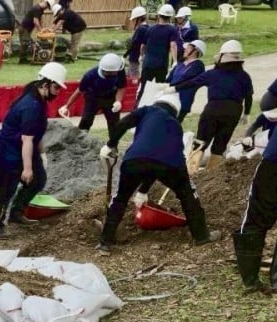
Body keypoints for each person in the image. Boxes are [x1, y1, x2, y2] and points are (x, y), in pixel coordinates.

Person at [96, 93, 220, 254]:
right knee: (188, 195)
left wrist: (110, 145)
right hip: (171, 164)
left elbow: (123, 124)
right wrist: (143, 191)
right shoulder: (176, 124)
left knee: (120, 198)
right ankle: (201, 236)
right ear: (175, 111)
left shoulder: (147, 110)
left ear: (158, 102)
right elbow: (157, 163)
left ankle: (105, 242)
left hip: (135, 160)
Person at [0, 62, 67, 239]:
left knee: (38, 180)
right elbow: (27, 139)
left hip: (23, 148)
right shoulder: (31, 106)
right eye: (56, 87)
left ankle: (17, 213)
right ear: (45, 84)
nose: (58, 92)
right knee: (5, 189)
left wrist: (41, 154)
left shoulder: (39, 100)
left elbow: (35, 134)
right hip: (7, 153)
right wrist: (27, 168)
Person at [166, 39, 253, 171]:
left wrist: (174, 88)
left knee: (201, 141)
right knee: (221, 143)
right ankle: (210, 173)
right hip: (233, 112)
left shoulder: (212, 74)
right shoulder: (244, 76)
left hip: (213, 109)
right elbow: (249, 96)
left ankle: (191, 171)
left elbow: (192, 83)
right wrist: (246, 113)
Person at [232, 127, 277, 293]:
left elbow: (269, 136)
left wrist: (250, 141)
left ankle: (250, 279)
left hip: (272, 164)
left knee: (256, 216)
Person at [58, 53, 126, 133]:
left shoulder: (119, 71)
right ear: (108, 71)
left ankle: (113, 144)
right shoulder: (90, 76)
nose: (117, 72)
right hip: (92, 98)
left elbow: (121, 87)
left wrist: (118, 101)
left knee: (114, 124)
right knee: (86, 120)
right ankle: (81, 140)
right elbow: (79, 91)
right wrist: (67, 106)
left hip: (110, 98)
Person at [136, 4, 179, 104]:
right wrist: (175, 60)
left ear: (159, 15)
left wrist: (141, 55)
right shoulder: (172, 30)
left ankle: (138, 106)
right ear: (170, 17)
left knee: (144, 87)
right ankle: (156, 107)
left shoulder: (150, 29)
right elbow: (173, 45)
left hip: (148, 63)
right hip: (161, 64)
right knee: (160, 88)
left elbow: (143, 45)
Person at [165, 39, 206, 122]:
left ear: (195, 51)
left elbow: (186, 80)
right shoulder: (180, 64)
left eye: (189, 48)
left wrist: (173, 87)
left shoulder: (198, 65)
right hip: (171, 98)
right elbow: (169, 79)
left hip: (183, 100)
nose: (185, 50)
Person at [124, 6, 149, 80]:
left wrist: (125, 55)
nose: (133, 21)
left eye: (134, 19)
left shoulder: (141, 29)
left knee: (133, 77)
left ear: (139, 18)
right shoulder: (147, 27)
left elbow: (134, 44)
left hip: (135, 57)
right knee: (130, 75)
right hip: (140, 56)